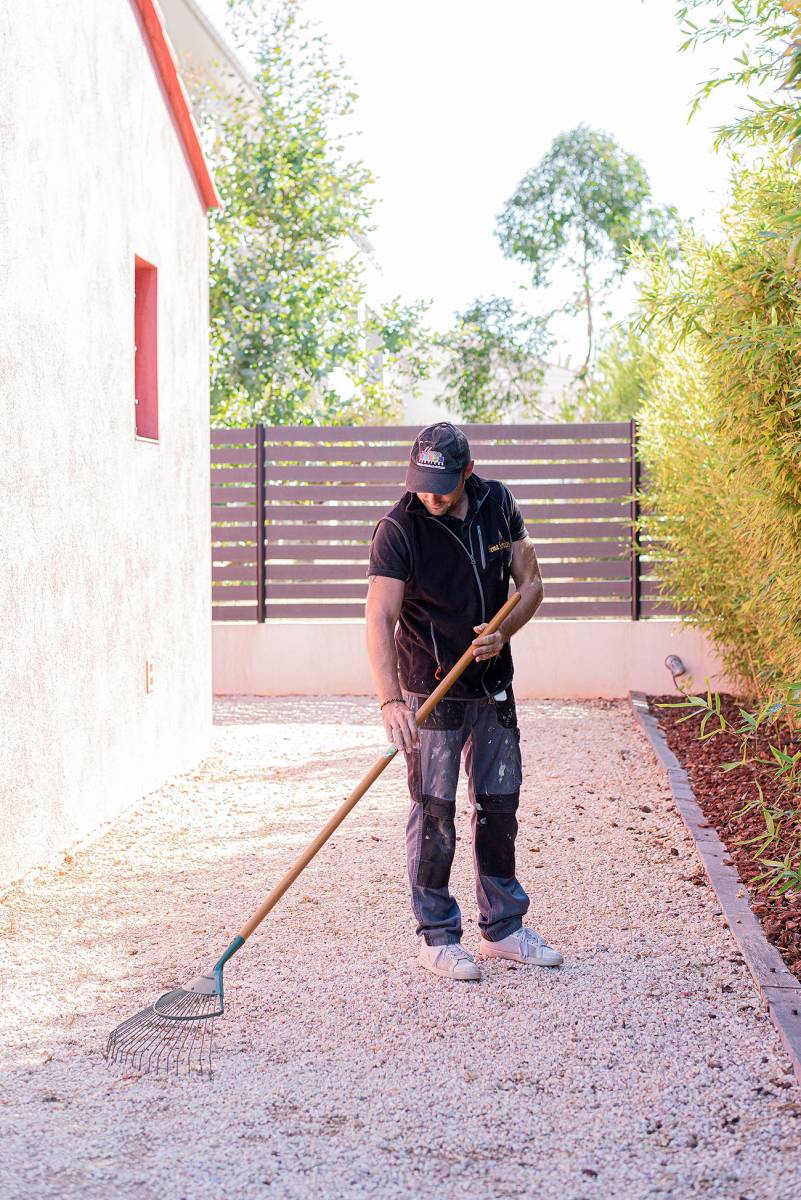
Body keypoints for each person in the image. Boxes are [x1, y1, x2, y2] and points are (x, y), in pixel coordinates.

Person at [365, 421, 563, 981]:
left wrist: (505, 633)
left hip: (492, 682)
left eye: (442, 484)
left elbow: (531, 585)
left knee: (499, 805)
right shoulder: (398, 526)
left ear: (468, 473)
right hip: (430, 689)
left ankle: (504, 930)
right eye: (422, 482)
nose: (430, 494)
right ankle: (437, 936)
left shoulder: (499, 504)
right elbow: (379, 616)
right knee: (434, 812)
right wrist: (389, 703)